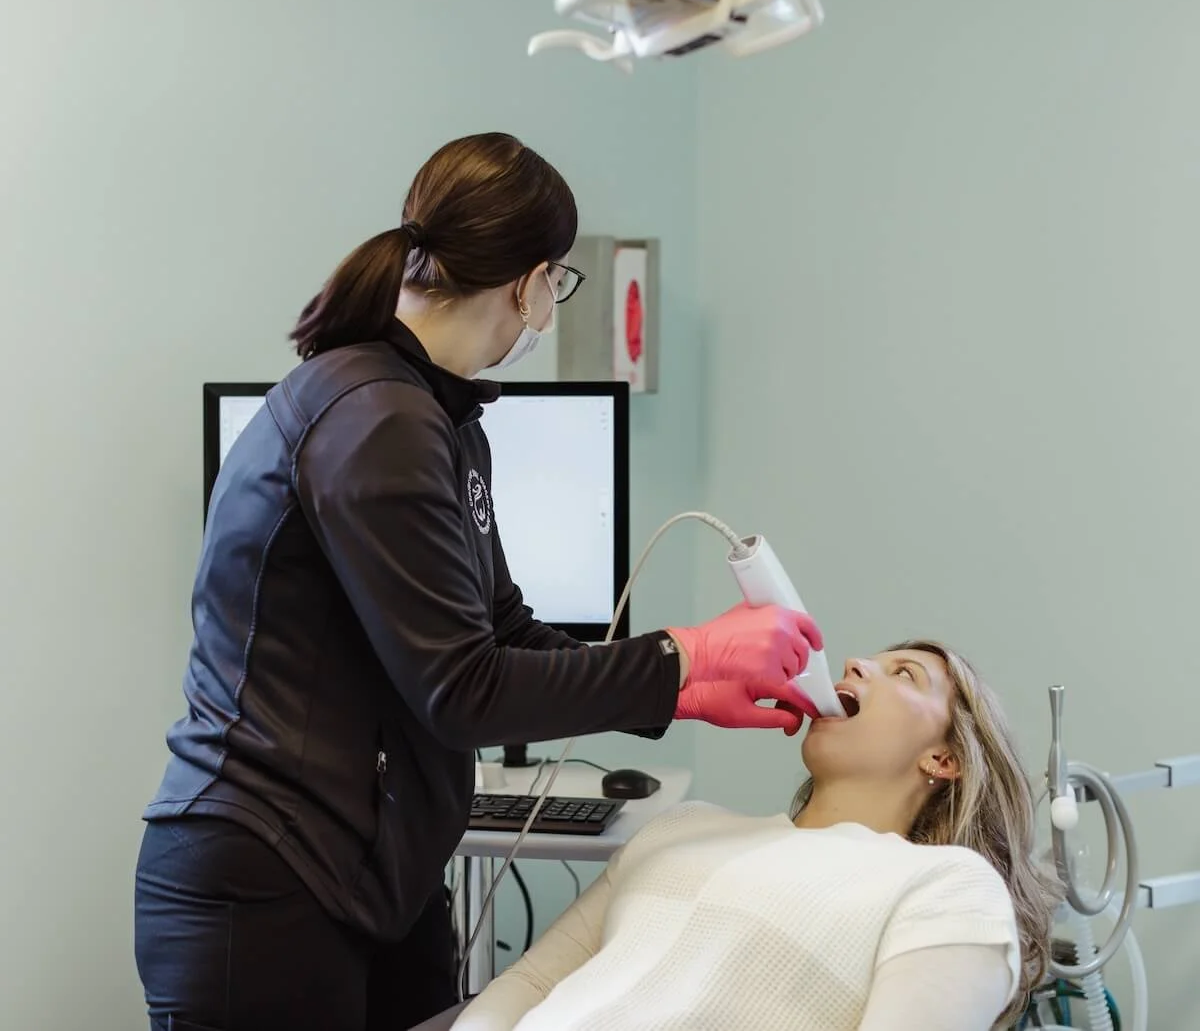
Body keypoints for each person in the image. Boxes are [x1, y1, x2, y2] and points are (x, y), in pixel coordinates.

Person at [133, 131, 824, 1031]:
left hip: (375, 873)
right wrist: (683, 651)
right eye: (560, 280)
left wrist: (689, 687)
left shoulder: (441, 419)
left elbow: (505, 634)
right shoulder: (374, 418)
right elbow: (464, 688)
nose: (551, 304)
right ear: (531, 281)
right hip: (271, 875)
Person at [452, 640, 1065, 1031]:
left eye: (903, 673)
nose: (856, 663)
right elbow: (530, 984)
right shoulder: (684, 826)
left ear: (944, 759)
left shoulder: (947, 886)